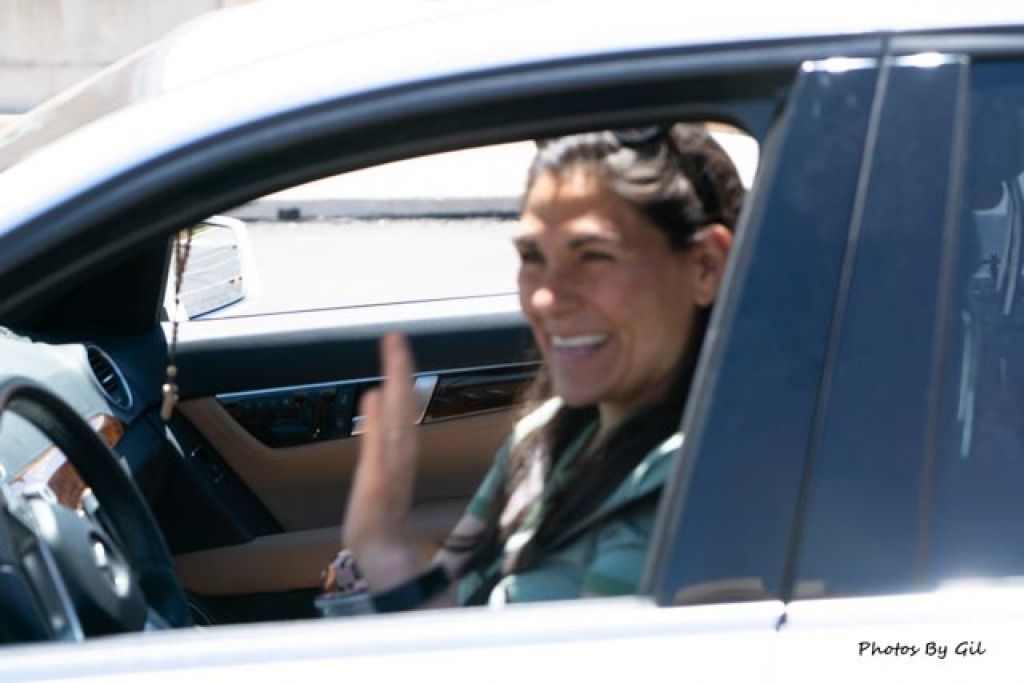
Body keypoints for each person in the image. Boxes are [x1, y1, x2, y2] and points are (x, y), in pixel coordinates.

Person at [338, 123, 744, 611]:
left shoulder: (686, 495)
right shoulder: (552, 431)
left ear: (705, 266)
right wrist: (383, 550)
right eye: (532, 256)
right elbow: (453, 609)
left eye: (593, 256)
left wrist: (387, 557)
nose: (546, 298)